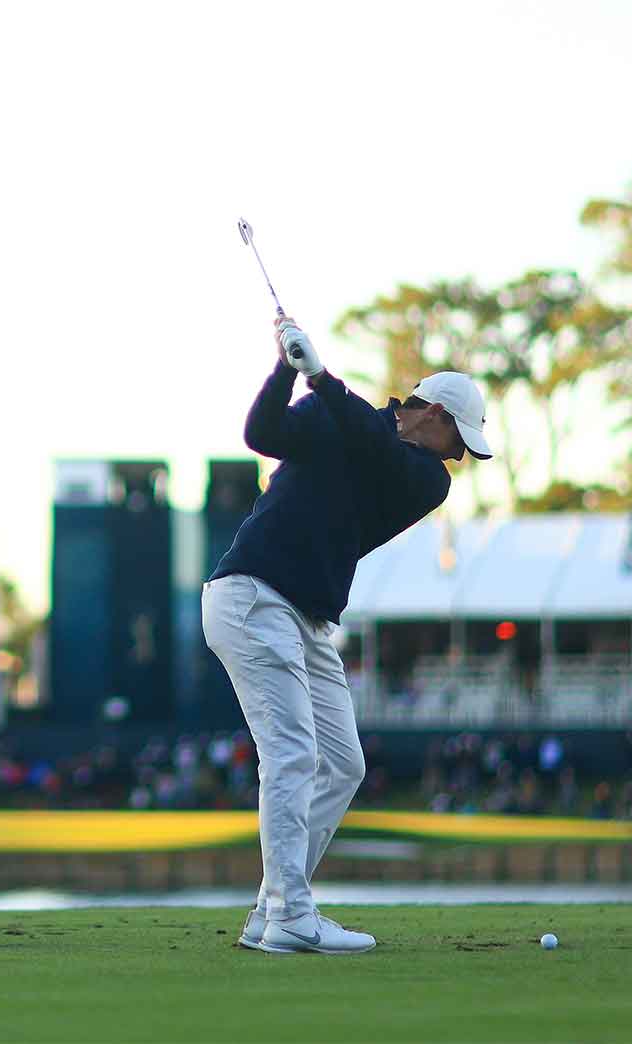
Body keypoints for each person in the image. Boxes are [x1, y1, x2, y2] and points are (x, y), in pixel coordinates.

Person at [203, 315, 491, 955]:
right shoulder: (345, 419)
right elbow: (262, 433)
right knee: (294, 755)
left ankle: (272, 911)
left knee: (342, 763)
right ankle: (292, 917)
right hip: (252, 594)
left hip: (303, 616)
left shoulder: (426, 480)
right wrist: (286, 370)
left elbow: (376, 451)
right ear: (433, 414)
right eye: (456, 439)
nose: (455, 457)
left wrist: (320, 376)